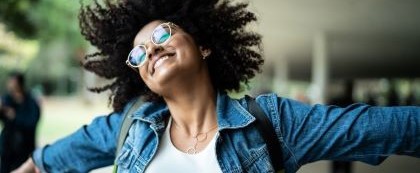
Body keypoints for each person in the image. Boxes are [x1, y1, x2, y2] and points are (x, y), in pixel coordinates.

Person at [13, 0, 420, 173]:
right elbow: (45, 164)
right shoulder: (132, 125)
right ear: (142, 78)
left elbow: (386, 127)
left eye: (162, 35)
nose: (150, 52)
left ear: (204, 45)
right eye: (138, 54)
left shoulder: (274, 124)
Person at [0, 72, 40, 173]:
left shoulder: (31, 103)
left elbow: (31, 123)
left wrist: (14, 116)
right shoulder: (6, 100)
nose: (10, 85)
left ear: (20, 84)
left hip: (25, 149)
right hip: (7, 149)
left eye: (12, 82)